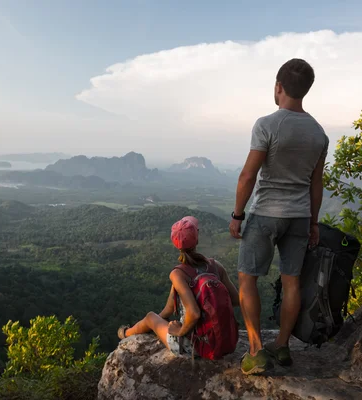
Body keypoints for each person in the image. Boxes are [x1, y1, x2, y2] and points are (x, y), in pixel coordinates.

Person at [229, 58, 329, 375]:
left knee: (247, 278)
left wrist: (237, 215)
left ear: (278, 87)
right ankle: (283, 347)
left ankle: (257, 351)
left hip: (264, 214)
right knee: (292, 283)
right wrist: (313, 222)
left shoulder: (267, 125)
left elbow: (247, 176)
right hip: (299, 217)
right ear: (306, 90)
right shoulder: (319, 134)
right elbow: (316, 184)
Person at [118, 216, 240, 358]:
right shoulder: (215, 266)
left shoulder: (179, 274)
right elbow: (236, 300)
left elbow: (194, 313)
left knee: (151, 317)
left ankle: (125, 333)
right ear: (197, 240)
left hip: (196, 346)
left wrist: (180, 331)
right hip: (226, 341)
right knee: (156, 318)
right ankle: (134, 330)